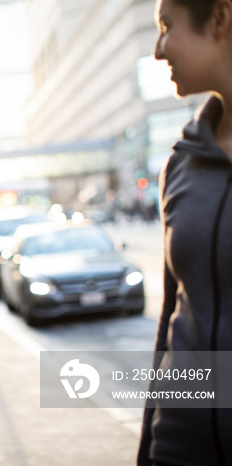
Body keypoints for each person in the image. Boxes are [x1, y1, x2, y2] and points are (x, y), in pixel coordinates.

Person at [139, 0, 232, 464]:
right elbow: (171, 318)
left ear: (220, 17)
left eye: (167, 27)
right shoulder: (181, 162)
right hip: (180, 448)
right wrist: (150, 447)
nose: (158, 49)